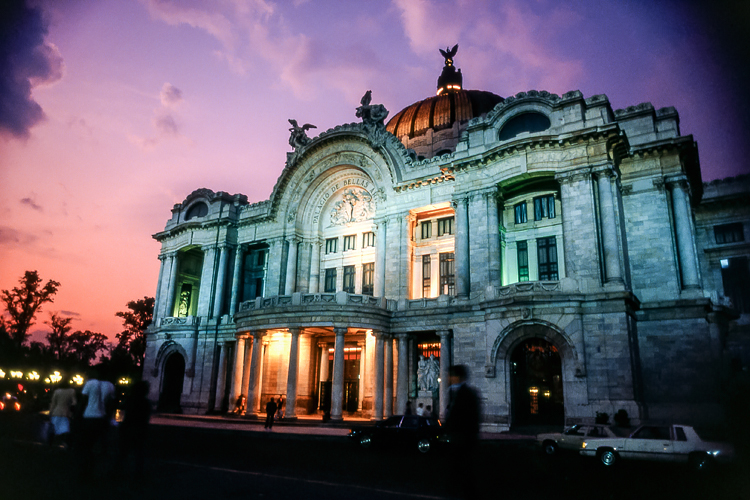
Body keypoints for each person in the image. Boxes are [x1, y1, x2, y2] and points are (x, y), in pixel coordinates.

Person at [445, 365, 481, 499]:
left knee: (464, 476)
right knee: (462, 476)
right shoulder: (455, 392)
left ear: (457, 377)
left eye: (450, 375)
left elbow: (471, 420)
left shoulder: (467, 394)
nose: (448, 378)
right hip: (459, 442)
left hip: (463, 442)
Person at [78, 369, 116, 478]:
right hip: (102, 417)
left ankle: (86, 470)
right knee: (100, 445)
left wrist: (77, 417)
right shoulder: (110, 386)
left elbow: (83, 401)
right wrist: (108, 418)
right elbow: (110, 404)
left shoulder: (90, 383)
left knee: (85, 445)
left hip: (89, 416)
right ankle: (98, 469)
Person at [114, 381, 151, 480]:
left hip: (127, 427)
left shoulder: (129, 400)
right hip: (140, 429)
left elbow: (121, 413)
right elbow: (146, 417)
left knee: (123, 452)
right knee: (139, 453)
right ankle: (138, 475)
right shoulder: (146, 402)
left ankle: (116, 472)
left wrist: (119, 424)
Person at [48, 380, 77, 448]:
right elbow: (74, 403)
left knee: (53, 428)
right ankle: (64, 443)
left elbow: (53, 403)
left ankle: (50, 443)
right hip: (66, 413)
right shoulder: (72, 391)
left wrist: (50, 412)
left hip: (56, 412)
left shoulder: (57, 391)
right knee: (65, 429)